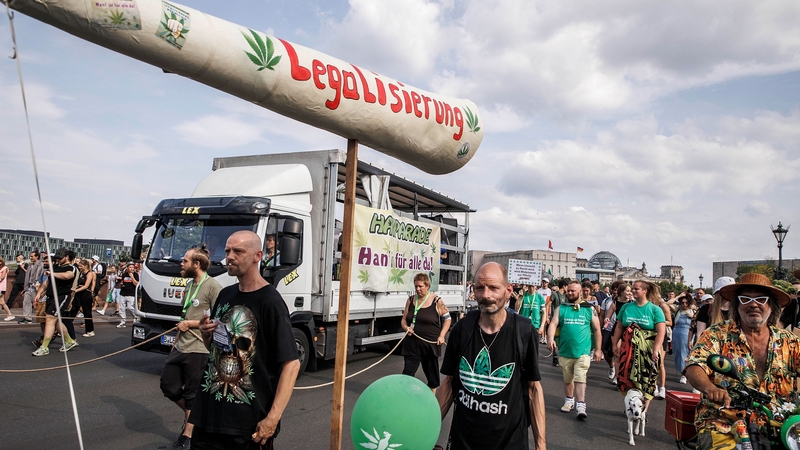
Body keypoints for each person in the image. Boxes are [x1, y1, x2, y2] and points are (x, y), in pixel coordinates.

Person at [191, 231, 299, 449]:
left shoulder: (270, 302)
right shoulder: (225, 295)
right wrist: (206, 334)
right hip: (209, 418)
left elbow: (291, 364)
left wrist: (273, 418)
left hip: (248, 426)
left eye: (238, 251)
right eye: (227, 250)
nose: (230, 256)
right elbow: (217, 350)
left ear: (258, 256)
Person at [436, 262, 546, 450]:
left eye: (493, 288)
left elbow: (533, 389)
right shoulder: (461, 329)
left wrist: (540, 445)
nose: (486, 295)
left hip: (509, 442)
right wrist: (427, 430)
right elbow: (449, 383)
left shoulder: (524, 331)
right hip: (464, 442)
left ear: (508, 290)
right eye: (480, 288)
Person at [685, 273, 800, 450]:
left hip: (779, 425)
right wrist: (711, 388)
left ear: (771, 306)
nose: (753, 304)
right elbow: (694, 366)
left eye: (761, 299)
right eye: (745, 299)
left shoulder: (789, 341)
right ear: (737, 305)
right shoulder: (717, 334)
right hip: (723, 421)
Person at [161, 246, 223, 449]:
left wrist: (191, 324)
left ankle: (188, 435)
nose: (181, 264)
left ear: (197, 264)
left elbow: (218, 319)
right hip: (182, 344)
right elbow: (185, 315)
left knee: (191, 394)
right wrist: (177, 338)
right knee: (168, 385)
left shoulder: (213, 286)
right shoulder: (189, 285)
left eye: (185, 261)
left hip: (199, 347)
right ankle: (197, 415)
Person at [546, 281, 602, 420]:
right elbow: (553, 324)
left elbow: (597, 330)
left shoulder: (589, 309)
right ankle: (569, 400)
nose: (570, 293)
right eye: (568, 291)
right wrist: (550, 339)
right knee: (568, 378)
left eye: (573, 291)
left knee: (580, 377)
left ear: (580, 292)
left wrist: (598, 349)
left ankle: (581, 405)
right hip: (565, 350)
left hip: (583, 351)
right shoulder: (561, 308)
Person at [613, 280, 666, 414]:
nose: (633, 291)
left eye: (636, 289)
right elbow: (619, 327)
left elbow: (661, 331)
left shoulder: (655, 309)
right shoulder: (626, 307)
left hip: (648, 348)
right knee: (628, 378)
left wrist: (656, 350)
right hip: (629, 348)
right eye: (633, 289)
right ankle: (631, 405)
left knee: (646, 379)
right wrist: (615, 343)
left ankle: (643, 410)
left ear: (645, 291)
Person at [400, 273, 451, 393]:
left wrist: (442, 335)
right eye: (416, 286)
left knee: (432, 377)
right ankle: (405, 396)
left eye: (420, 286)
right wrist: (406, 327)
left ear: (427, 286)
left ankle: (431, 398)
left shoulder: (437, 301)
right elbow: (404, 319)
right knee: (407, 374)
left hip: (430, 345)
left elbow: (448, 319)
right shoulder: (410, 300)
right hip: (412, 344)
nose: (418, 289)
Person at [31, 248, 79, 356]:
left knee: (50, 319)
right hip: (50, 297)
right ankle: (69, 341)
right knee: (55, 321)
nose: (58, 260)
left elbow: (67, 276)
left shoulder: (71, 268)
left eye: (60, 258)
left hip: (61, 297)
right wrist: (39, 293)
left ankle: (44, 347)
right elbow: (46, 282)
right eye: (57, 258)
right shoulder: (56, 267)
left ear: (66, 257)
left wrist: (52, 273)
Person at [672, 294, 695, 384]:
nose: (684, 304)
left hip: (689, 333)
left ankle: (686, 374)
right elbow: (667, 303)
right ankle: (683, 373)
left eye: (686, 302)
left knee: (687, 353)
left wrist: (692, 316)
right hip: (677, 333)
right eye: (682, 303)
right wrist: (679, 296)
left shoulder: (693, 310)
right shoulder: (678, 310)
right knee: (679, 354)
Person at [71, 259, 96, 338]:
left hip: (85, 294)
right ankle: (67, 327)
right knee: (73, 310)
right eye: (79, 266)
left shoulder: (90, 273)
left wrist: (76, 290)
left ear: (86, 266)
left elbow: (86, 285)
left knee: (87, 312)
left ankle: (90, 330)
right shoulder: (81, 273)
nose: (80, 267)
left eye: (81, 266)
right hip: (79, 294)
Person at [19, 250, 43, 324]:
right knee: (26, 302)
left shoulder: (41, 265)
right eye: (30, 256)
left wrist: (39, 286)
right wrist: (25, 288)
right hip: (29, 287)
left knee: (38, 303)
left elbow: (41, 276)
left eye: (32, 256)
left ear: (37, 256)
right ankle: (27, 318)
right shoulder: (30, 265)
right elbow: (27, 277)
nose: (30, 258)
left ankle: (42, 318)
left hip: (37, 287)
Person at [116, 262, 139, 328]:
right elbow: (122, 281)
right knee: (121, 308)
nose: (131, 269)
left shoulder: (135, 274)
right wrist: (121, 284)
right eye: (130, 267)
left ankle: (135, 317)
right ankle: (123, 322)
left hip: (131, 294)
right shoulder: (124, 274)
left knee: (130, 307)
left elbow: (136, 284)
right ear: (127, 268)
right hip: (123, 293)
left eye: (132, 267)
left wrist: (132, 277)